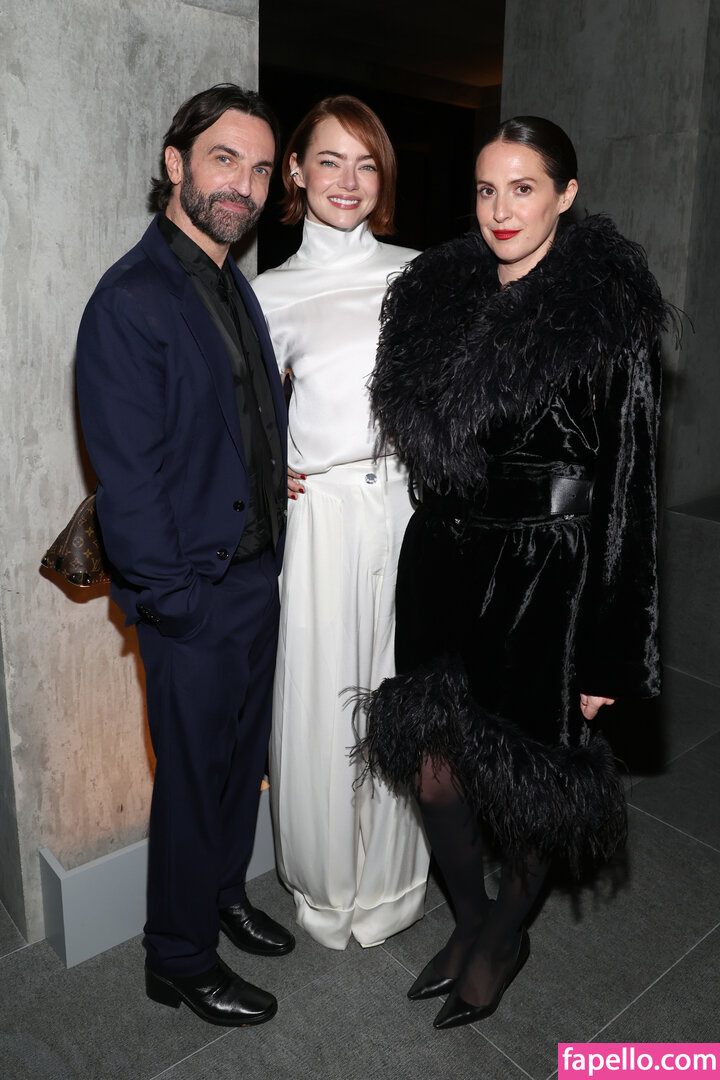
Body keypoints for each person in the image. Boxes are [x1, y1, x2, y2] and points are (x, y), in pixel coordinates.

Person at [356, 116, 672, 1028]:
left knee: (531, 781)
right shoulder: (437, 301)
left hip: (546, 579)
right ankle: (472, 918)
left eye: (523, 188)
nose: (501, 209)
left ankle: (501, 940)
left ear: (565, 196)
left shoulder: (606, 318)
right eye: (487, 189)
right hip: (444, 563)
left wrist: (613, 655)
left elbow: (631, 492)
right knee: (435, 768)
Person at [76, 84, 296, 1027]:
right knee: (193, 779)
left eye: (259, 169)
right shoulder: (131, 298)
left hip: (253, 578)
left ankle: (222, 895)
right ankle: (177, 955)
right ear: (177, 164)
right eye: (223, 159)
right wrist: (179, 605)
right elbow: (127, 482)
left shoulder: (232, 280)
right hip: (192, 596)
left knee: (240, 765)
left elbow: (229, 419)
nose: (243, 185)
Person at [252, 96, 430, 950]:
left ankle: (394, 883)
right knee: (322, 700)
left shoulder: (421, 273)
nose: (348, 181)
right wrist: (266, 468)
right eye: (329, 160)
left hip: (408, 505)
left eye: (366, 163)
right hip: (319, 515)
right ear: (296, 170)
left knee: (400, 692)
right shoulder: (269, 292)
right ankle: (325, 891)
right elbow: (236, 414)